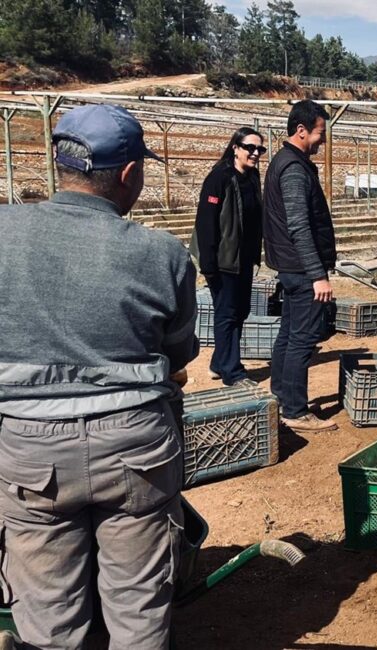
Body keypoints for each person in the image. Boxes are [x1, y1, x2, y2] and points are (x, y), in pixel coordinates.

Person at [0, 104, 197, 649]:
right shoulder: (161, 252)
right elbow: (181, 349)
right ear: (130, 173)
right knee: (137, 606)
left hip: (29, 450)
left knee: (48, 611)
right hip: (134, 446)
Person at [264, 99, 337, 432]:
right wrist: (317, 275)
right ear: (301, 130)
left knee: (289, 335)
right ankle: (294, 410)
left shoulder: (288, 161)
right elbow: (298, 225)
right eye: (321, 133)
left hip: (292, 267)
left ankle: (280, 397)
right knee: (303, 339)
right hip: (301, 269)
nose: (323, 139)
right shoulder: (293, 168)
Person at [190, 127, 265, 386]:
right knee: (227, 312)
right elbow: (206, 221)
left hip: (242, 258)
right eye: (250, 148)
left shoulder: (253, 177)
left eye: (260, 149)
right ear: (235, 147)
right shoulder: (219, 177)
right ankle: (232, 371)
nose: (255, 153)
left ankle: (219, 362)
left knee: (240, 310)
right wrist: (208, 263)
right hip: (222, 259)